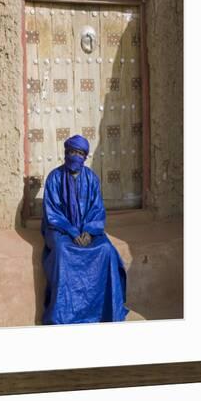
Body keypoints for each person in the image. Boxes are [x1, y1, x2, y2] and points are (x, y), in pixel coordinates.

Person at [40, 134, 129, 324]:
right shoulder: (54, 178)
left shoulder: (92, 179)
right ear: (66, 153)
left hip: (89, 230)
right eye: (72, 152)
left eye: (80, 153)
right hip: (61, 230)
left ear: (84, 156)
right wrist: (72, 232)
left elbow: (97, 209)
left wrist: (88, 231)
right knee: (63, 252)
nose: (75, 156)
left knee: (105, 250)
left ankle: (105, 311)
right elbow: (52, 213)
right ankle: (61, 314)